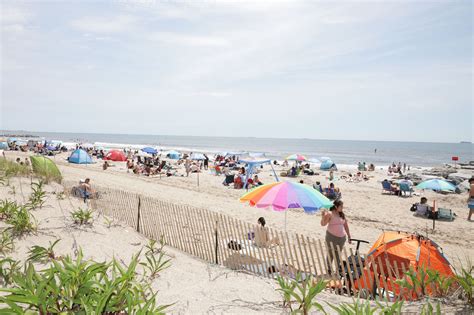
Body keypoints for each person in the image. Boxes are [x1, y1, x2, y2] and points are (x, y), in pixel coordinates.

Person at [321, 200, 351, 274]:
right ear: (336, 206)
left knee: (338, 254)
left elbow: (346, 226)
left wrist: (349, 236)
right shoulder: (330, 214)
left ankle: (337, 270)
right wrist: (323, 217)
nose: (342, 208)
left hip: (341, 238)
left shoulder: (342, 214)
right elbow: (323, 224)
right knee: (331, 253)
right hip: (331, 236)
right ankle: (329, 269)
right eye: (341, 206)